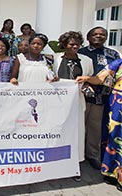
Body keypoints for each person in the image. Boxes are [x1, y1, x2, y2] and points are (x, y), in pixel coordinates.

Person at [78, 27, 121, 170]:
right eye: (95, 34)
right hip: (79, 96)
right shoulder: (79, 52)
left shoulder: (113, 54)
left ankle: (92, 156)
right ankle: (75, 155)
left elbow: (115, 75)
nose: (98, 36)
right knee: (77, 127)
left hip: (101, 98)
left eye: (102, 35)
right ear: (88, 37)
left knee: (94, 129)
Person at [76, 58, 122, 191]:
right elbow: (99, 79)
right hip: (117, 106)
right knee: (114, 138)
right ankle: (112, 173)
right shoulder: (118, 63)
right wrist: (86, 78)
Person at [53, 32, 94, 175]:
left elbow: (89, 79)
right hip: (58, 103)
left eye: (77, 44)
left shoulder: (86, 60)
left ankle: (75, 164)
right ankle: (57, 163)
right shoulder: (55, 59)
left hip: (77, 102)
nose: (74, 46)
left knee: (76, 132)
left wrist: (86, 84)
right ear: (64, 45)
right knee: (58, 131)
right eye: (71, 44)